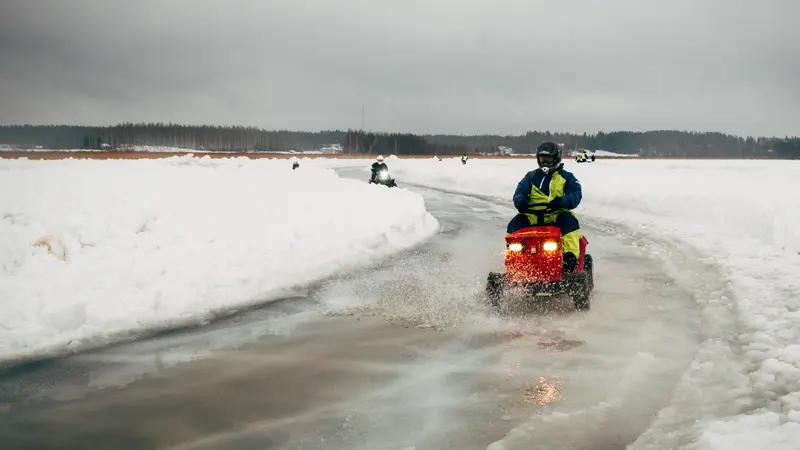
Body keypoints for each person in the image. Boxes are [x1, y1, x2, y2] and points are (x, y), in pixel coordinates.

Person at [507, 142, 583, 272]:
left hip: (555, 214)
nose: (545, 164)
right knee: (515, 223)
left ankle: (569, 259)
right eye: (542, 160)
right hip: (532, 215)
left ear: (556, 159)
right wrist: (521, 202)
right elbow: (520, 192)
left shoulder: (567, 177)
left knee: (569, 220)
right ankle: (514, 261)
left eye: (548, 161)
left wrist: (562, 201)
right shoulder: (530, 177)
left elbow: (575, 195)